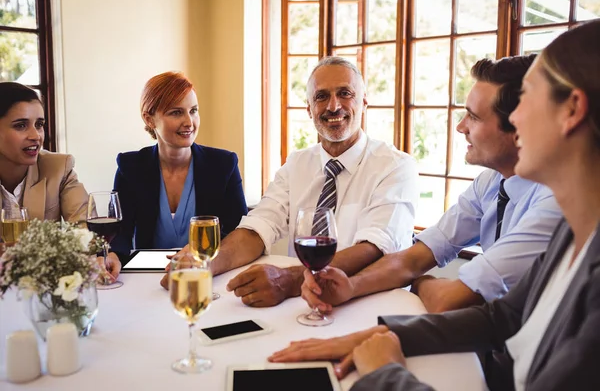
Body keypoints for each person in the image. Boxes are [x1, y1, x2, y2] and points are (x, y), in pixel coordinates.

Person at [269, 20, 600, 391]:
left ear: (571, 111)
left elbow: (451, 297)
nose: (517, 118)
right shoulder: (574, 232)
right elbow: (498, 318)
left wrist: (385, 373)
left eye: (529, 101)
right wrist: (374, 334)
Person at [301, 55, 562, 314]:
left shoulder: (555, 201)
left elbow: (447, 300)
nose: (460, 127)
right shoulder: (491, 183)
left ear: (518, 126)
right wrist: (350, 287)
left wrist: (420, 281)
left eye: (473, 117)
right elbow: (414, 258)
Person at [161, 57, 419, 307]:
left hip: (370, 305)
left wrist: (290, 280)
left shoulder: (395, 166)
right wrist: (205, 264)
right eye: (321, 97)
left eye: (345, 93)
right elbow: (259, 226)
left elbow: (374, 248)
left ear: (364, 102)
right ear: (309, 109)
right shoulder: (297, 164)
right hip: (302, 306)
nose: (333, 106)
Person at [110, 71, 248, 262]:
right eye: (176, 112)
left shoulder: (223, 164)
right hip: (147, 279)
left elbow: (237, 231)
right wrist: (113, 256)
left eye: (193, 111)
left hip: (209, 273)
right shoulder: (130, 167)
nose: (189, 122)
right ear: (149, 119)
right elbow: (119, 233)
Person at [0, 82, 120, 279]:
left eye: (39, 125)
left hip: (43, 291)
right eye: (21, 125)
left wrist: (96, 256)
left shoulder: (59, 167)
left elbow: (84, 231)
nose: (35, 136)